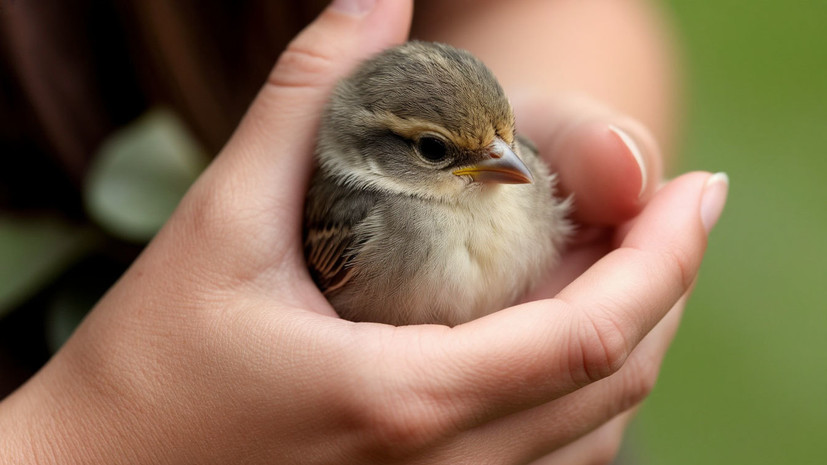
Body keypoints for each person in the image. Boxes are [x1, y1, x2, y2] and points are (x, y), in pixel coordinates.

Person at [0, 0, 727, 463]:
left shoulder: (511, 169)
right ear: (374, 153)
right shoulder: (355, 215)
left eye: (508, 142)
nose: (510, 166)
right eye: (441, 153)